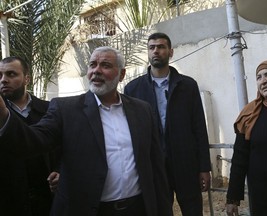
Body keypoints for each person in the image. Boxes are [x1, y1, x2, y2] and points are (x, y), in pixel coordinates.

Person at [0, 46, 173, 216]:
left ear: (121, 74)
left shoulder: (142, 110)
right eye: (92, 65)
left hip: (138, 209)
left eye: (105, 65)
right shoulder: (65, 110)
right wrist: (3, 113)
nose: (96, 71)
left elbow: (156, 166)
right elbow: (33, 140)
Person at [124, 32, 211, 216]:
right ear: (147, 53)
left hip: (185, 164)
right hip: (154, 165)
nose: (156, 51)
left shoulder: (187, 86)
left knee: (193, 210)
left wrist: (204, 167)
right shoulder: (132, 89)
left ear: (170, 52)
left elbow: (199, 128)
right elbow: (130, 133)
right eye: (152, 47)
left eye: (161, 47)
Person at [226, 60, 267, 216]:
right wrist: (233, 198)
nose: (263, 81)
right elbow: (240, 158)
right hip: (263, 197)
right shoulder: (250, 114)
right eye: (259, 77)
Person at [0, 56, 60, 216]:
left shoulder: (51, 110)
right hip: (10, 204)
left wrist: (61, 173)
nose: (3, 80)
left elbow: (66, 150)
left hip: (48, 202)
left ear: (27, 78)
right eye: (0, 76)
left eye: (11, 74)